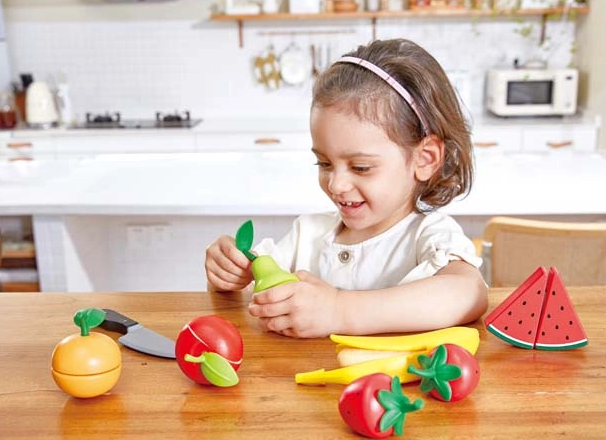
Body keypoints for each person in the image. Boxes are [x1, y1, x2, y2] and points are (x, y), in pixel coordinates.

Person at [205, 38, 487, 338]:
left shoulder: (429, 236)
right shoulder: (307, 235)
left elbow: (469, 293)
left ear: (424, 159)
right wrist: (228, 275)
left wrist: (339, 310)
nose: (336, 184)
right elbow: (249, 300)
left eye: (360, 167)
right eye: (324, 163)